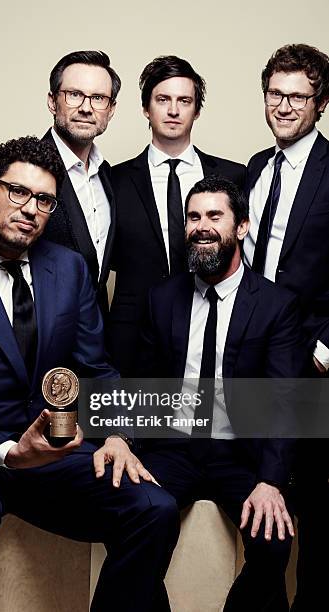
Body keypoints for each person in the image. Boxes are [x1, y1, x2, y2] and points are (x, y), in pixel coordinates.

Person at [0, 136, 176, 612]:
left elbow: (95, 367)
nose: (30, 208)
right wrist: (10, 451)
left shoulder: (70, 269)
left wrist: (117, 435)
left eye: (45, 199)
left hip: (52, 453)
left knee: (155, 508)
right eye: (18, 192)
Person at [139, 176, 304, 611]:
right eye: (194, 217)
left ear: (242, 227)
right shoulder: (161, 299)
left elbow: (287, 401)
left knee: (274, 541)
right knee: (134, 522)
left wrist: (271, 480)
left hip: (240, 454)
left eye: (215, 216)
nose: (202, 226)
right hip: (172, 449)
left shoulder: (275, 305)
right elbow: (144, 381)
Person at [244, 43, 329, 611]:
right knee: (263, 497)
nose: (284, 106)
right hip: (255, 357)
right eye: (276, 94)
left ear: (319, 105)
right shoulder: (254, 168)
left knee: (317, 508)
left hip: (313, 360)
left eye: (298, 97)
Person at [108, 55, 246, 375]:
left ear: (196, 110)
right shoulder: (112, 181)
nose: (173, 110)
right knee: (136, 425)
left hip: (213, 327)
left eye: (184, 100)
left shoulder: (233, 175)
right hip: (132, 338)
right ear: (146, 108)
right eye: (162, 99)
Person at [42, 50, 119, 314]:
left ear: (111, 110)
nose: (86, 108)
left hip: (97, 334)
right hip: (42, 334)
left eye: (98, 98)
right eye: (74, 95)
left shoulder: (108, 175)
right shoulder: (26, 170)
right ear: (52, 101)